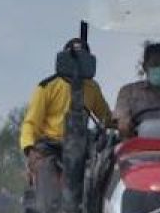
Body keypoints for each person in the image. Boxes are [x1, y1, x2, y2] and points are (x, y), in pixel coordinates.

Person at [19, 37, 112, 179]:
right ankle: (48, 201)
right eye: (73, 59)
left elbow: (106, 118)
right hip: (51, 146)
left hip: (82, 145)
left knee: (104, 167)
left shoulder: (92, 87)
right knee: (45, 170)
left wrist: (123, 123)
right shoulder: (46, 87)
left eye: (82, 60)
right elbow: (31, 123)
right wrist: (30, 150)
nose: (77, 64)